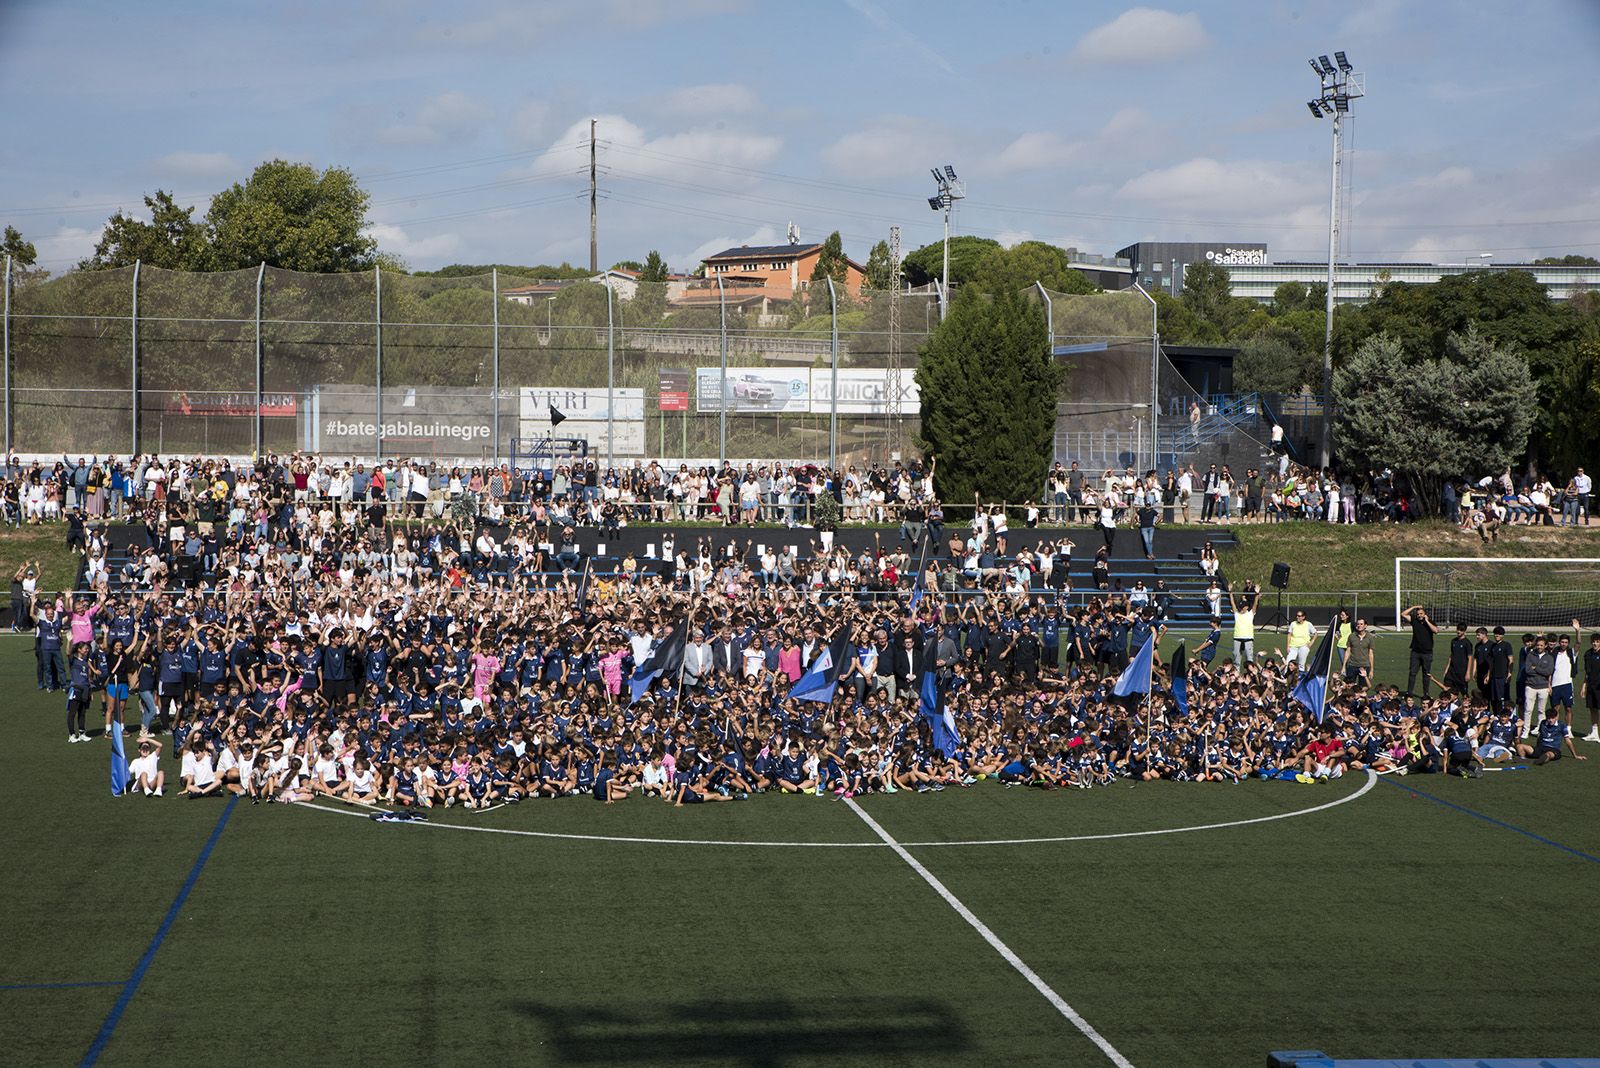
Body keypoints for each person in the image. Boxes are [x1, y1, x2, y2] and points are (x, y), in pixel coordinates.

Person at [1519, 705, 1586, 765]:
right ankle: (1523, 759)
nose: (1550, 720)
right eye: (1549, 718)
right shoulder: (1543, 723)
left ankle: (1536, 761)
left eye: (1552, 718)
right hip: (1540, 748)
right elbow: (1539, 736)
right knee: (1520, 746)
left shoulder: (1561, 725)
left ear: (1556, 717)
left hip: (1553, 750)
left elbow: (1567, 741)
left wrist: (1575, 755)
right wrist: (1537, 748)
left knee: (1548, 755)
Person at [1399, 604, 1438, 698]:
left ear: (1425, 614)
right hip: (1415, 652)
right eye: (1418, 614)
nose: (1419, 615)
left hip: (1427, 653)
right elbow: (1403, 614)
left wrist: (1427, 621)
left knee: (1426, 674)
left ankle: (1426, 694)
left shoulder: (1429, 622)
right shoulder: (1414, 620)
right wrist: (1414, 607)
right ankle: (1409, 692)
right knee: (1412, 673)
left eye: (1421, 613)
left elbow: (1436, 630)